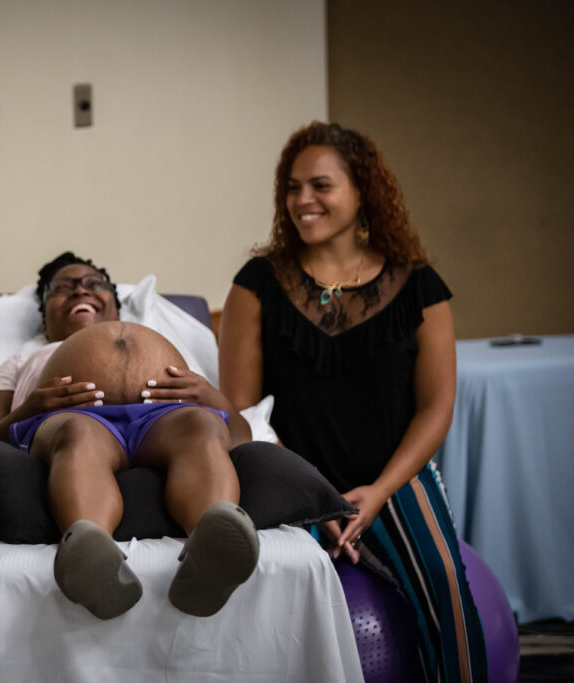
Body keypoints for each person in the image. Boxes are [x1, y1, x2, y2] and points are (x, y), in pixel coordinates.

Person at [219, 121, 487, 681]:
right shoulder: (256, 283)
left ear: (363, 191)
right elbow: (242, 409)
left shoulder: (419, 285)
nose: (303, 200)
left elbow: (436, 407)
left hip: (394, 478)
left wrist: (380, 491)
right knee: (269, 610)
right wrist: (313, 496)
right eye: (293, 187)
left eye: (321, 186)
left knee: (448, 593)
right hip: (289, 479)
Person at [0, 252, 259, 620]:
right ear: (44, 315)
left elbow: (240, 433)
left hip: (166, 419)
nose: (80, 291)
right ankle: (92, 555)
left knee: (202, 427)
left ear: (117, 307)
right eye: (63, 288)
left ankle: (213, 548)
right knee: (77, 436)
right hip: (75, 418)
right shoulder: (22, 358)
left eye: (94, 284)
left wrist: (210, 397)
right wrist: (31, 409)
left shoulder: (168, 343)